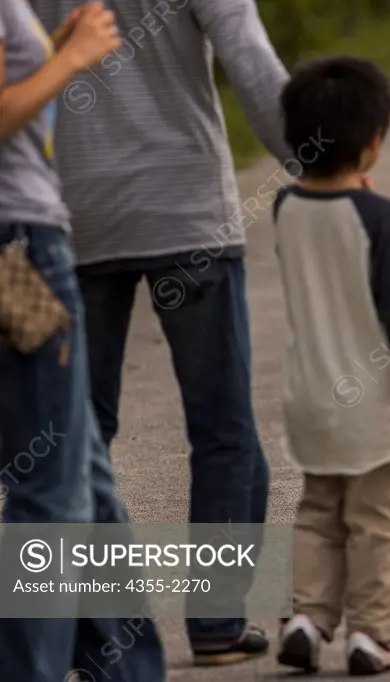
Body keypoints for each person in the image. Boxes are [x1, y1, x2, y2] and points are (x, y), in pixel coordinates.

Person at [30, 0, 296, 665]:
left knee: (69, 441)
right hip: (187, 215)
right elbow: (252, 64)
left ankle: (76, 635)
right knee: (224, 429)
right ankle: (215, 623)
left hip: (75, 213)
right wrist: (317, 160)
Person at [0, 2, 166, 680]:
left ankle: (128, 669)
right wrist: (72, 59)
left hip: (27, 238)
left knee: (83, 473)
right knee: (52, 493)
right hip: (20, 249)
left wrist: (51, 51)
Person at [271, 56, 390, 676]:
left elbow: (328, 225)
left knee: (318, 513)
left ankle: (305, 616)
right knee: (376, 522)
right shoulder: (382, 218)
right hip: (370, 405)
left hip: (309, 400)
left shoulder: (283, 209)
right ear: (373, 143)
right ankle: (371, 633)